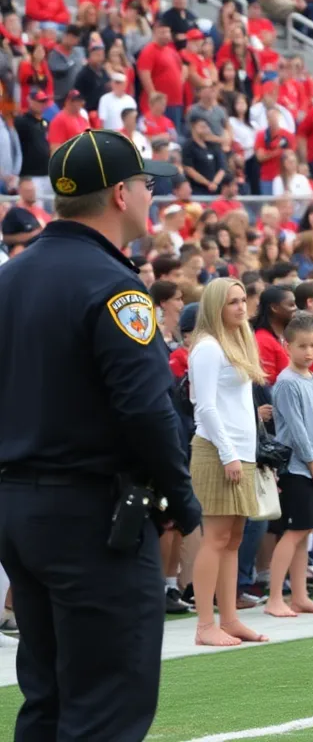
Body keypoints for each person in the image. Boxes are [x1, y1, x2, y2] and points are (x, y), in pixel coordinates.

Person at [0, 129, 199, 740]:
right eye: (146, 185)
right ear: (119, 193)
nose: (151, 197)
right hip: (91, 512)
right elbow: (144, 408)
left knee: (49, 694)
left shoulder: (10, 278)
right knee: (107, 700)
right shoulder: (115, 286)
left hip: (19, 506)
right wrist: (182, 498)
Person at [188, 276, 269, 648]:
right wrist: (228, 454)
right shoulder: (207, 347)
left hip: (239, 452)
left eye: (242, 300)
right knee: (216, 537)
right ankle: (205, 625)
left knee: (233, 539)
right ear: (216, 307)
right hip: (219, 451)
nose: (241, 306)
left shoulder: (234, 341)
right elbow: (204, 406)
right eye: (232, 302)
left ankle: (230, 618)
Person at [265, 313, 313, 618]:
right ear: (287, 345)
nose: (309, 352)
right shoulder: (286, 383)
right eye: (302, 346)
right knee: (292, 533)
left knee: (304, 531)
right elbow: (296, 429)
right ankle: (274, 598)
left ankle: (300, 595)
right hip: (296, 469)